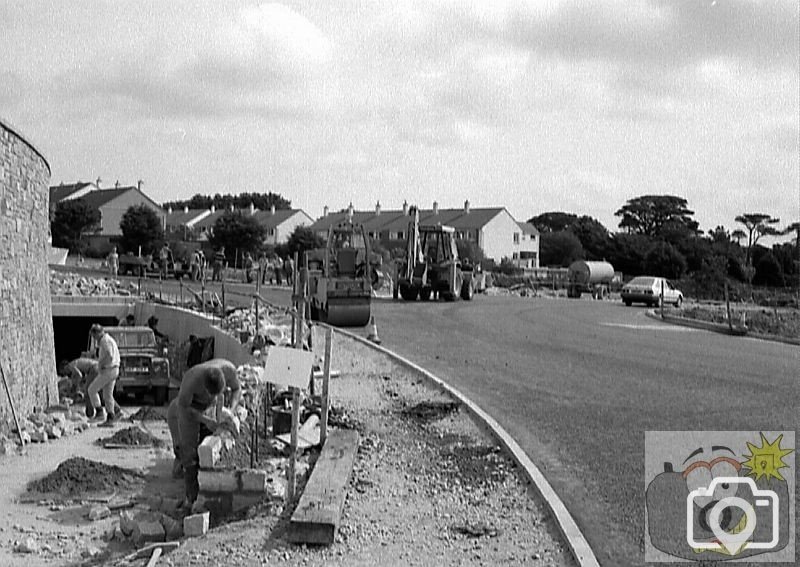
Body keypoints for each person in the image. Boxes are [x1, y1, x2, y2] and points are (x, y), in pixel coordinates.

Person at [166, 359, 242, 507]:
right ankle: (191, 499)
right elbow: (184, 409)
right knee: (190, 454)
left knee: (207, 441)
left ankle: (205, 488)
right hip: (188, 409)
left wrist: (231, 411)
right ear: (205, 390)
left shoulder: (228, 369)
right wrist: (205, 420)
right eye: (212, 394)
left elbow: (237, 389)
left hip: (207, 405)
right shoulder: (191, 381)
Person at [87, 324, 121, 426]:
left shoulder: (104, 341)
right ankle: (111, 417)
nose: (94, 339)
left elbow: (109, 356)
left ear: (97, 333)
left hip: (108, 369)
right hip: (114, 369)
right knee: (107, 395)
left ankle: (99, 412)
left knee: (92, 389)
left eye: (94, 336)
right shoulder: (109, 339)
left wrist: (101, 364)